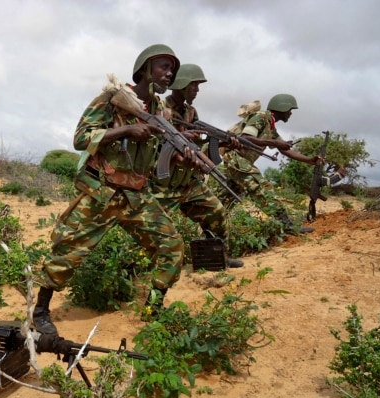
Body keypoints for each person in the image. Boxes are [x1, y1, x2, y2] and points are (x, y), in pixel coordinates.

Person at [33, 44, 200, 335]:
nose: (169, 73)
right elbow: (81, 138)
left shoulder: (161, 109)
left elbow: (157, 149)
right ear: (146, 69)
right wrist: (125, 130)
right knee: (66, 251)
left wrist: (180, 154)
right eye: (164, 66)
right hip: (103, 193)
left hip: (137, 196)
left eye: (172, 69)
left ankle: (153, 308)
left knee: (172, 246)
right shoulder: (113, 98)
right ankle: (41, 310)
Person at [155, 63, 243, 268]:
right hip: (164, 183)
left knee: (217, 212)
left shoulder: (191, 112)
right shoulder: (160, 108)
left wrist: (221, 142)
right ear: (182, 84)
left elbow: (195, 143)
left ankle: (218, 257)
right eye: (194, 85)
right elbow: (155, 142)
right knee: (153, 229)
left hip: (189, 181)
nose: (197, 90)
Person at [215, 94, 323, 234]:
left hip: (239, 162)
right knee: (263, 188)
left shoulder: (270, 126)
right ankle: (286, 225)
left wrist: (309, 160)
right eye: (289, 109)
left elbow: (285, 150)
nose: (290, 113)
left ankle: (209, 231)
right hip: (237, 160)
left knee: (225, 200)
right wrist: (274, 142)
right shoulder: (260, 117)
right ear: (281, 107)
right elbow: (246, 137)